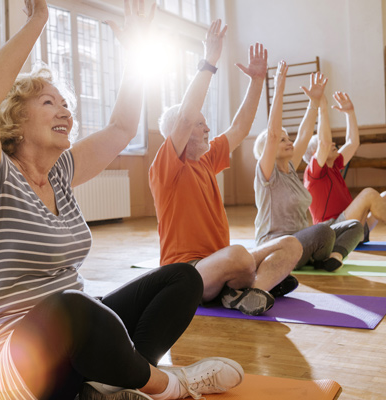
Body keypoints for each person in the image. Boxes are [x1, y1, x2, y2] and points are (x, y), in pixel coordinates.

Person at [0, 1, 243, 399]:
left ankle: (118, 387)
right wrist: (38, 20)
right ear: (15, 119)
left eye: (66, 105)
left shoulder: (60, 174)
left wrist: (135, 51)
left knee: (183, 278)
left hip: (71, 351)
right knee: (73, 308)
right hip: (9, 367)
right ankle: (170, 386)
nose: (66, 112)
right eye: (49, 103)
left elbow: (123, 125)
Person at [149, 28, 302, 317]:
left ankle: (249, 291)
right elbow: (184, 115)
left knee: (290, 245)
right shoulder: (166, 166)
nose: (207, 128)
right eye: (199, 124)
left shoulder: (206, 159)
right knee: (239, 256)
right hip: (187, 273)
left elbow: (240, 128)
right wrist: (209, 60)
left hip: (221, 262)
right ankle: (246, 287)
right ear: (179, 133)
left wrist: (257, 81)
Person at [253, 63, 364, 272]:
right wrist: (279, 88)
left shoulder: (291, 169)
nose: (288, 141)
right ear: (268, 149)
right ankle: (318, 255)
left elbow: (304, 134)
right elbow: (273, 132)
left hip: (303, 241)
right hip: (277, 247)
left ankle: (331, 256)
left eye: (288, 138)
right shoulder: (266, 174)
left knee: (354, 226)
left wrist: (314, 102)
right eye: (281, 140)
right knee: (322, 231)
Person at [302, 92, 386, 241]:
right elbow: (325, 143)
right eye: (329, 143)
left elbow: (353, 142)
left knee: (384, 196)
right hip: (331, 232)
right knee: (368, 194)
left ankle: (359, 236)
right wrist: (322, 107)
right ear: (316, 153)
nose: (333, 143)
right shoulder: (313, 173)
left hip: (351, 228)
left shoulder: (334, 165)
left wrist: (350, 112)